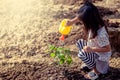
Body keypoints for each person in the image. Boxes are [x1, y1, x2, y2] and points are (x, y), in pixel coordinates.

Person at [66, 1, 112, 80]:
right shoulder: (94, 23)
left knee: (81, 54)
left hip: (101, 57)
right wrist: (71, 22)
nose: (82, 22)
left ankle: (96, 70)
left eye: (83, 21)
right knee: (80, 43)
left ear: (89, 20)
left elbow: (108, 49)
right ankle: (92, 63)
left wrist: (92, 49)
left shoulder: (101, 34)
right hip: (94, 50)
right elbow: (80, 17)